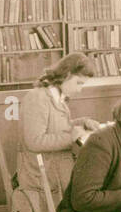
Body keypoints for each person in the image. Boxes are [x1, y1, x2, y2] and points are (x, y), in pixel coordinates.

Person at [17, 52, 101, 200]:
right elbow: (34, 141)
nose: (80, 89)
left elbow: (55, 127)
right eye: (79, 83)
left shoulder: (56, 96)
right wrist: (71, 137)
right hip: (42, 173)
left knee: (95, 180)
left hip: (55, 164)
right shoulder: (37, 98)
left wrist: (82, 122)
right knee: (94, 186)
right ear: (67, 74)